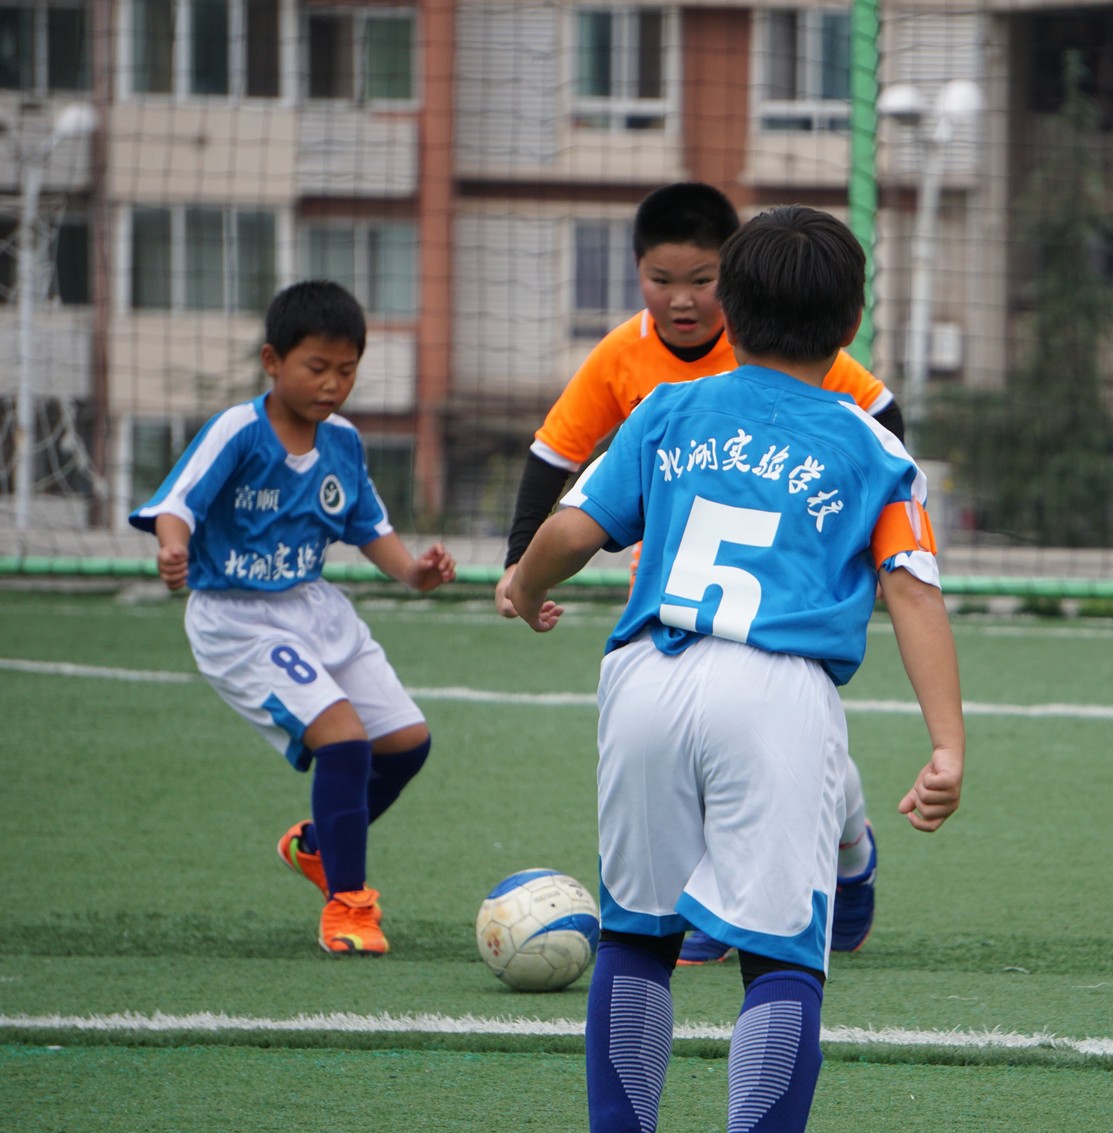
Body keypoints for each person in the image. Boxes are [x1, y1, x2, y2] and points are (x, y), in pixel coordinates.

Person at [508, 205, 965, 1133]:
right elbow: (913, 592)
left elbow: (574, 528)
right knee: (781, 957)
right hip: (776, 692)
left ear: (729, 311)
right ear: (851, 324)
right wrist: (947, 745)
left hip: (645, 676)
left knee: (636, 937)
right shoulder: (875, 448)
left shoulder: (669, 408)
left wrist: (523, 582)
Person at [494, 182, 902, 964]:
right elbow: (555, 453)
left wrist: (871, 541)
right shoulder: (628, 362)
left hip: (785, 603)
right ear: (638, 273)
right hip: (673, 603)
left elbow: (882, 420)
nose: (681, 299)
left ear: (733, 289)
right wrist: (520, 560)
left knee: (796, 752)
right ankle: (706, 906)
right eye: (662, 280)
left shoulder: (790, 334)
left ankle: (850, 849)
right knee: (697, 744)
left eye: (701, 280)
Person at [129, 280, 456, 956]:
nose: (332, 384)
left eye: (347, 370)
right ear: (272, 361)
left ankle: (316, 846)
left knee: (407, 743)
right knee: (345, 741)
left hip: (313, 606)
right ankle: (348, 906)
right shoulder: (238, 430)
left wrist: (413, 572)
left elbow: (369, 526)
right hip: (237, 619)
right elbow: (178, 503)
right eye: (317, 367)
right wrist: (171, 546)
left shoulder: (344, 441)